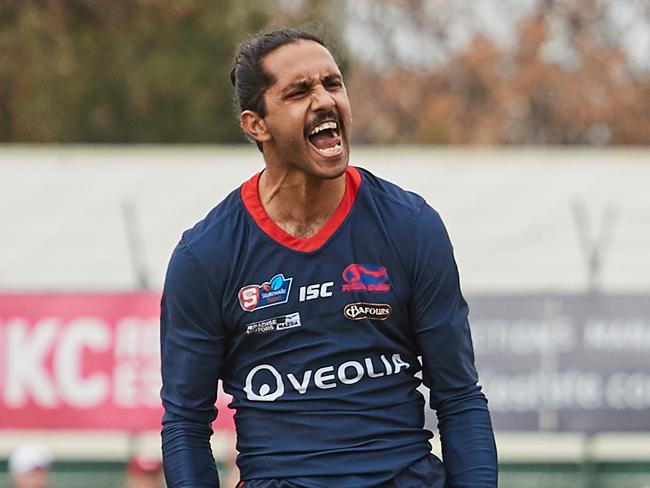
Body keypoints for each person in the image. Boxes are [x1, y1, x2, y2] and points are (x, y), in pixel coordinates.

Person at [160, 29, 498, 487]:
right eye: (299, 92)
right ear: (256, 124)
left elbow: (459, 397)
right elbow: (185, 425)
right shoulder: (206, 256)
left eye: (332, 84)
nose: (324, 100)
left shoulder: (409, 225)